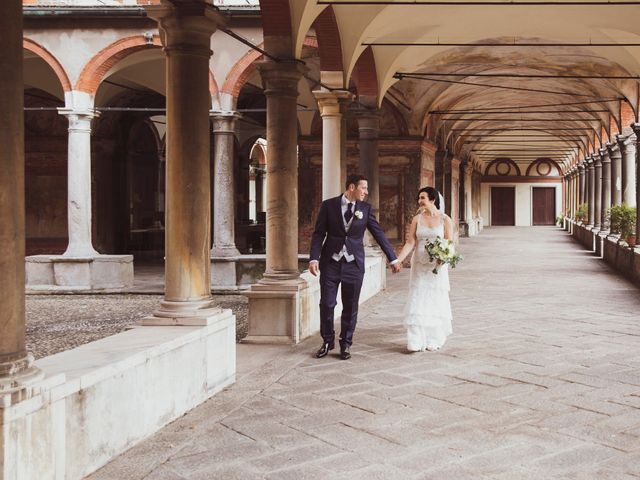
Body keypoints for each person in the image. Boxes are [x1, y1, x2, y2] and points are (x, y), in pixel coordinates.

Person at [309, 174, 401, 360]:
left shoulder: (365, 209)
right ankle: (327, 341)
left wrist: (393, 258)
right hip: (330, 264)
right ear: (352, 187)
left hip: (354, 265)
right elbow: (318, 234)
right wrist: (313, 258)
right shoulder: (329, 206)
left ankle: (346, 344)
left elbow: (379, 234)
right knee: (327, 304)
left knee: (350, 306)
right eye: (364, 188)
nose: (366, 192)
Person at [396, 186, 453, 352]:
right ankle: (415, 338)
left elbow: (449, 243)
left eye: (423, 198)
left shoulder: (445, 220)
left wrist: (444, 258)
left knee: (434, 297)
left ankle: (434, 337)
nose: (420, 201)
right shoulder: (417, 219)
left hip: (437, 265)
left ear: (433, 199)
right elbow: (410, 242)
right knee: (418, 296)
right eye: (419, 198)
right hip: (419, 264)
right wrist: (398, 260)